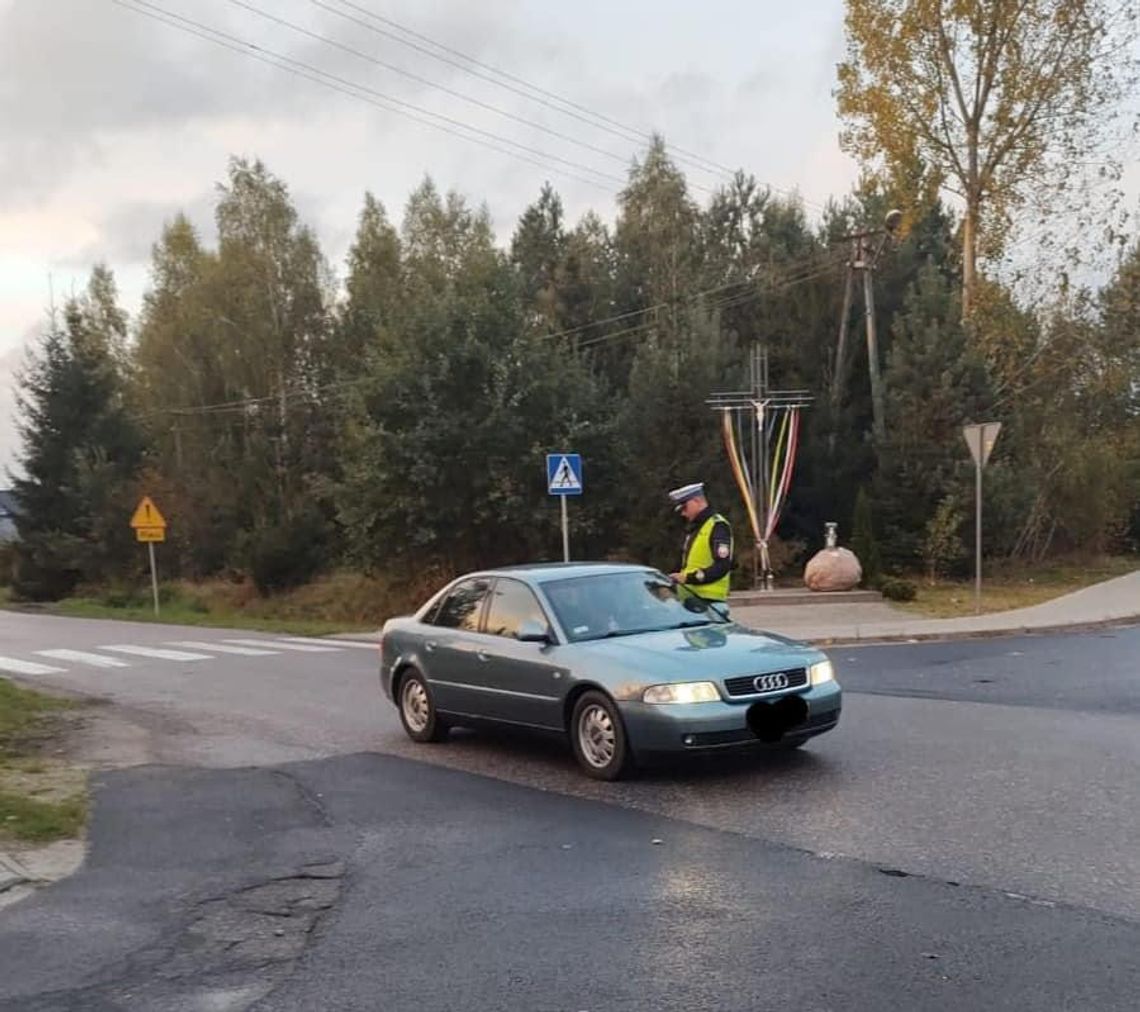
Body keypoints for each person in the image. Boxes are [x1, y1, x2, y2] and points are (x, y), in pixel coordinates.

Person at [668, 482, 733, 610]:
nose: (683, 514)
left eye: (684, 507)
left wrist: (688, 578)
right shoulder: (695, 529)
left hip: (709, 602)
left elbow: (722, 566)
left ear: (697, 501)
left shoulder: (717, 525)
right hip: (691, 599)